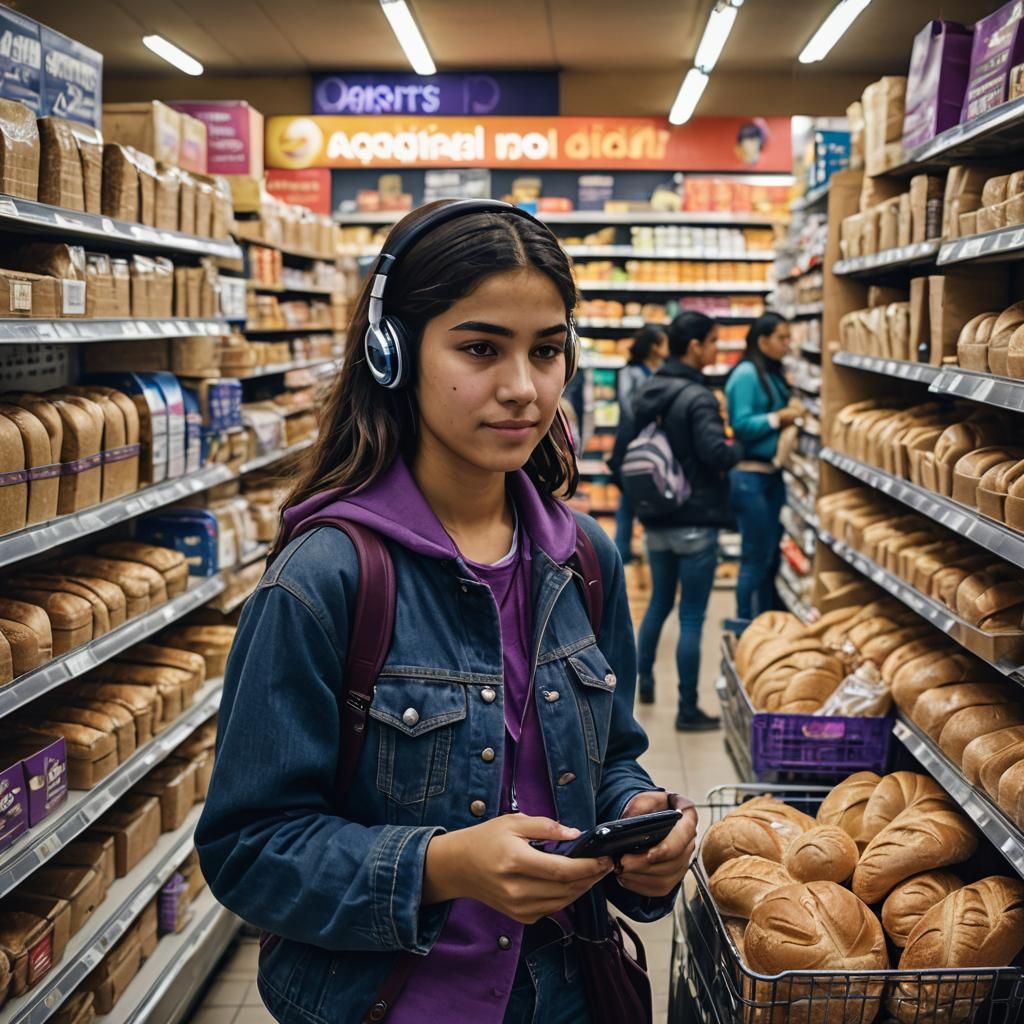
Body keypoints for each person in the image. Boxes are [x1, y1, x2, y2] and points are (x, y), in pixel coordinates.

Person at [195, 200, 698, 1024]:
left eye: (546, 351)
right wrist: (440, 866)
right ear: (393, 355)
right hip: (393, 1002)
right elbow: (249, 851)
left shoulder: (585, 562)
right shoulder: (325, 578)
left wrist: (638, 819)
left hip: (570, 992)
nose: (522, 389)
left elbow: (611, 757)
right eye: (479, 348)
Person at [632, 311, 743, 730]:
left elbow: (621, 450)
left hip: (656, 519)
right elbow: (716, 453)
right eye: (714, 341)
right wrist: (739, 451)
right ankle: (688, 708)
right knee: (692, 615)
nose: (717, 349)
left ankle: (643, 683)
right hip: (696, 519)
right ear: (694, 346)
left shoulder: (647, 391)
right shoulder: (698, 397)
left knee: (660, 602)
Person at [725, 312, 801, 622]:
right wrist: (779, 418)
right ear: (762, 340)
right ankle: (747, 625)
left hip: (771, 476)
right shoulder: (745, 374)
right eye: (781, 338)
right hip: (750, 477)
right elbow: (741, 425)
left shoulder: (772, 372)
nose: (787, 344)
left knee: (770, 556)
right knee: (755, 557)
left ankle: (767, 622)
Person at [613, 326, 668, 565]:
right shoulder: (631, 372)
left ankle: (650, 554)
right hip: (632, 443)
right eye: (664, 342)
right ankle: (621, 555)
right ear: (654, 346)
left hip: (656, 445)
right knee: (627, 503)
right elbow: (628, 409)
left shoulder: (662, 371)